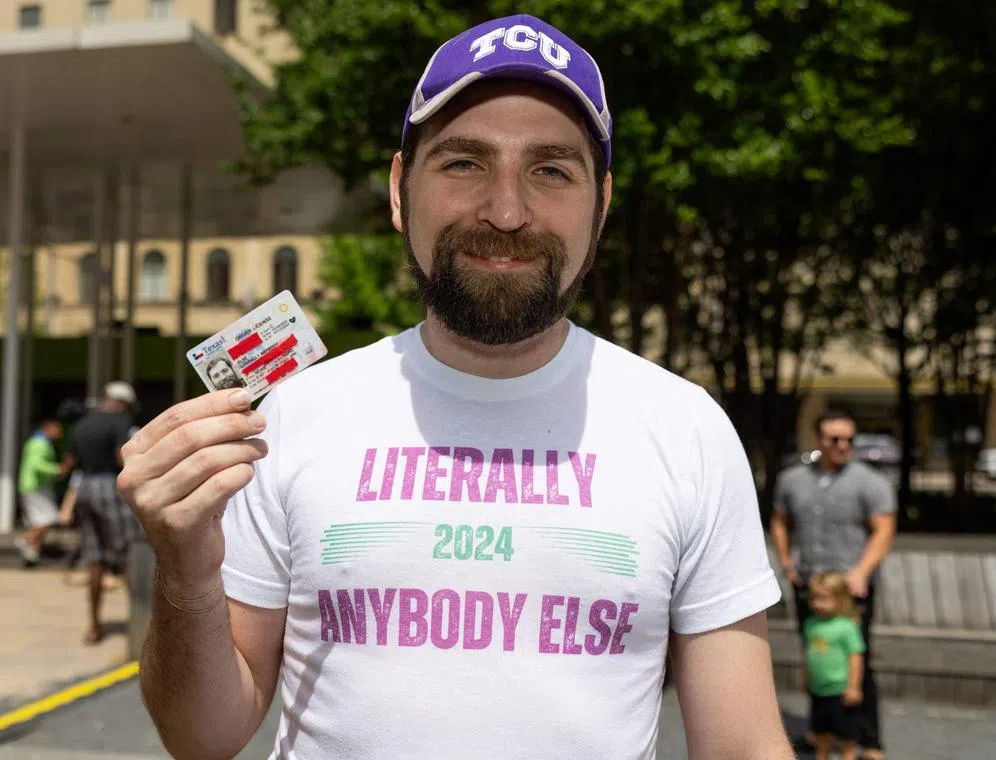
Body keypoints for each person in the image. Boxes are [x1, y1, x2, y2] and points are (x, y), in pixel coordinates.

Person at [119, 14, 792, 759]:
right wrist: (183, 569)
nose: (506, 212)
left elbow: (743, 747)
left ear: (602, 204)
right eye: (465, 163)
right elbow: (201, 737)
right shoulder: (290, 416)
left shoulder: (685, 429)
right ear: (400, 190)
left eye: (550, 171)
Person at [771, 407, 897, 760]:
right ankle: (820, 732)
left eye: (849, 439)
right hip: (810, 586)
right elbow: (779, 521)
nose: (843, 445)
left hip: (849, 589)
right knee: (818, 655)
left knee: (856, 658)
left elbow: (884, 530)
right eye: (835, 439)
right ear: (818, 439)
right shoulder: (793, 479)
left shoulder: (869, 482)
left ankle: (869, 741)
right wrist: (786, 561)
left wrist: (861, 572)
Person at [61, 381, 137, 645]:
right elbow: (120, 457)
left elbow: (69, 463)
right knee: (127, 556)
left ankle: (94, 626)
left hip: (84, 487)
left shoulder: (82, 424)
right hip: (109, 486)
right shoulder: (119, 422)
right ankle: (143, 622)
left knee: (95, 560)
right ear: (123, 403)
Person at [803, 571, 866, 760]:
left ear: (841, 599)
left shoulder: (846, 627)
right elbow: (808, 654)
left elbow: (855, 657)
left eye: (824, 599)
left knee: (847, 735)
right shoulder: (811, 624)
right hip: (818, 690)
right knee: (821, 732)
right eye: (814, 598)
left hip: (840, 691)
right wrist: (805, 677)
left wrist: (853, 687)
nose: (818, 604)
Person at [15, 418, 64, 566]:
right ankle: (26, 540)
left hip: (36, 486)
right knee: (49, 517)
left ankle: (32, 554)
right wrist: (56, 469)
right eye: (57, 429)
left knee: (37, 521)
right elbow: (37, 465)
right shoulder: (39, 443)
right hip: (35, 486)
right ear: (48, 428)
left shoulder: (40, 441)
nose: (59, 433)